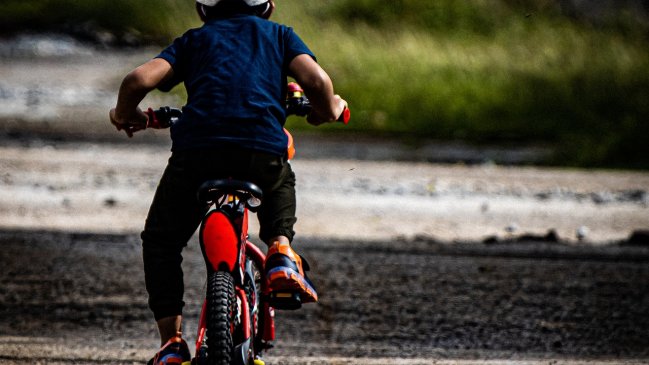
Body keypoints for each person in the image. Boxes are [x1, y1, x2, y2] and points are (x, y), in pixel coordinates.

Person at [108, 0, 348, 364]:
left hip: (198, 156)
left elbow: (137, 80)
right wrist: (328, 108)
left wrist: (127, 114)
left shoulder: (194, 41)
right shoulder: (280, 36)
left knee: (162, 240)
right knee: (280, 176)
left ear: (203, 7)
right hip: (260, 151)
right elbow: (316, 81)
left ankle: (172, 344)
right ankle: (281, 251)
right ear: (266, 5)